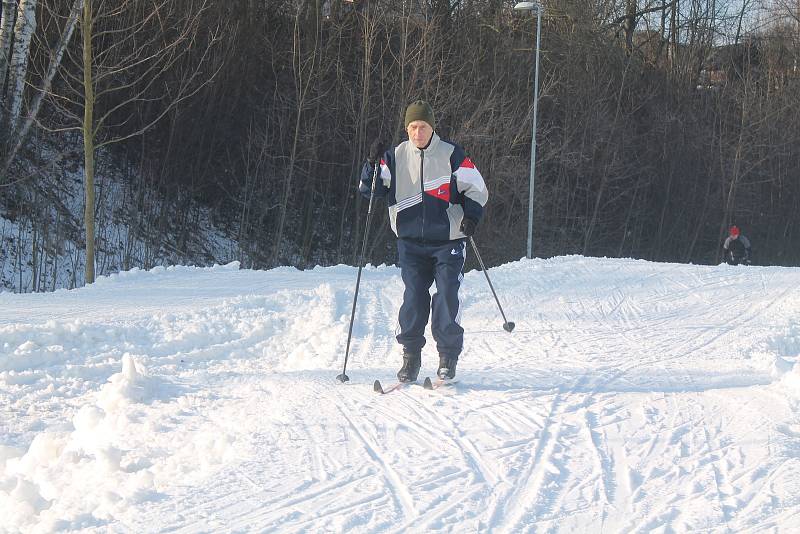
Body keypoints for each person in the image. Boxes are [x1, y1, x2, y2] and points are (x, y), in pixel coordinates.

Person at [359, 100, 489, 382]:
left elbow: (476, 189)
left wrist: (472, 217)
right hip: (410, 242)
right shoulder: (394, 156)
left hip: (448, 240)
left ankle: (447, 357)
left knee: (446, 295)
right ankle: (411, 358)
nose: (418, 132)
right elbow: (369, 191)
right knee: (414, 298)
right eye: (413, 127)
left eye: (423, 127)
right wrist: (371, 164)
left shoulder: (452, 154)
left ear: (432, 127)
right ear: (407, 128)